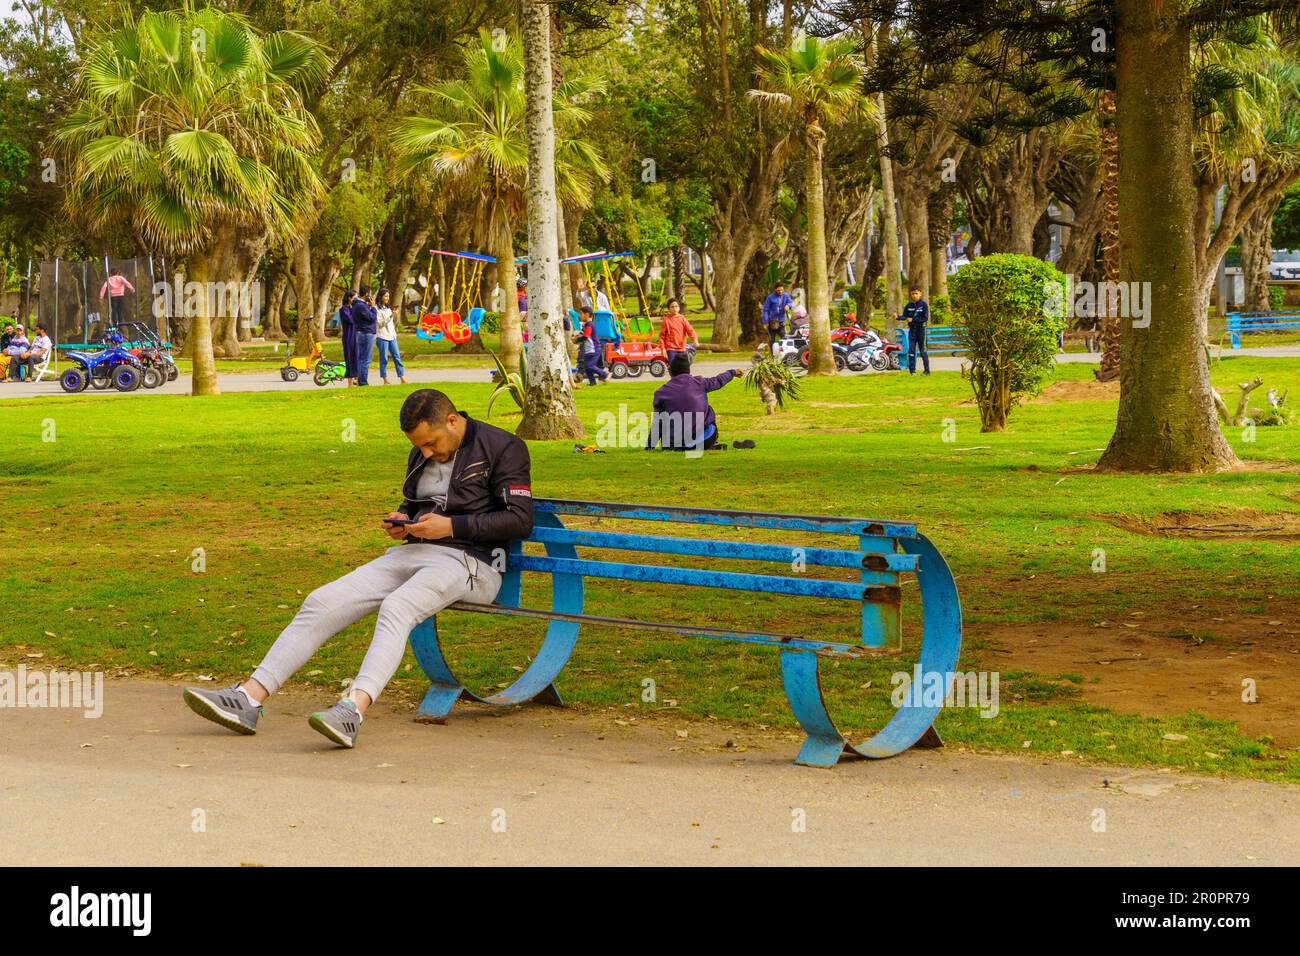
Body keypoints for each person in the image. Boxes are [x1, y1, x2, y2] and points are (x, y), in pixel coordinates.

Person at [181, 389, 534, 749]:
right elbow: (418, 503)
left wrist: (452, 527)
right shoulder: (422, 450)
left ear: (453, 421)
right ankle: (249, 698)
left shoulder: (503, 447)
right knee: (323, 599)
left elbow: (519, 520)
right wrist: (404, 521)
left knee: (399, 605)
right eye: (420, 447)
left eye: (430, 443)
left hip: (475, 564)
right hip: (420, 553)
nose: (426, 453)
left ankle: (352, 710)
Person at [646, 354, 751, 452]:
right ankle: (713, 443)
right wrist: (733, 372)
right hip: (705, 440)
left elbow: (658, 423)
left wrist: (649, 447)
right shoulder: (700, 383)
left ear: (670, 370)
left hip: (675, 446)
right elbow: (719, 380)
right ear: (688, 370)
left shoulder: (661, 393)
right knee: (707, 408)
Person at [374, 288, 407, 385]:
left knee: (397, 357)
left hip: (392, 336)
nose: (388, 298)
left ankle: (402, 377)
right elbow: (380, 324)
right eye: (386, 296)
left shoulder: (388, 308)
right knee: (383, 358)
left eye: (388, 296)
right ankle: (385, 379)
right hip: (382, 336)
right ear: (381, 297)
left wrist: (394, 315)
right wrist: (391, 316)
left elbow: (391, 323)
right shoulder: (376, 309)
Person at [657, 297, 698, 366]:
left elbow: (690, 330)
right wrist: (663, 349)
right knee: (673, 367)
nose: (674, 308)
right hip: (671, 349)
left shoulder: (682, 319)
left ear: (679, 308)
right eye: (672, 307)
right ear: (669, 309)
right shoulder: (666, 320)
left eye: (676, 306)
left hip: (682, 348)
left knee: (683, 367)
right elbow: (662, 336)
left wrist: (695, 340)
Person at [900, 286, 930, 375]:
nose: (914, 295)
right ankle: (912, 371)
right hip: (912, 331)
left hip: (921, 330)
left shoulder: (924, 305)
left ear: (920, 294)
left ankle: (927, 371)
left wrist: (913, 319)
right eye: (913, 293)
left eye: (916, 293)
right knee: (911, 351)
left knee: (923, 351)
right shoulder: (909, 306)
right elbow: (905, 316)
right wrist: (897, 317)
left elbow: (925, 318)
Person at [352, 284, 378, 386]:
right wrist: (373, 307)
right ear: (366, 294)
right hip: (366, 333)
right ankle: (363, 381)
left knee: (361, 358)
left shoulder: (356, 304)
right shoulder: (361, 305)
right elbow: (371, 318)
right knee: (366, 359)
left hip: (359, 332)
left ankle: (359, 379)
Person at [575, 307, 608, 385]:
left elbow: (586, 336)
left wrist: (577, 340)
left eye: (581, 314)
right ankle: (592, 382)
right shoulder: (586, 325)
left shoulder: (589, 324)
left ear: (586, 315)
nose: (579, 316)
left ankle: (603, 374)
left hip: (594, 349)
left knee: (590, 365)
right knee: (587, 367)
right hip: (589, 350)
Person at [762, 283, 794, 349]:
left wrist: (788, 305)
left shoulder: (786, 295)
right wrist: (765, 322)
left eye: (782, 290)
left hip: (781, 322)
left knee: (784, 338)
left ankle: (783, 354)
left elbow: (792, 303)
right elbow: (765, 310)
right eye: (779, 290)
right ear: (775, 289)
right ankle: (773, 356)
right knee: (772, 340)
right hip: (772, 322)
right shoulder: (770, 297)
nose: (780, 292)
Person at [339, 289, 357, 385]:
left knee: (357, 357)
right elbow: (351, 320)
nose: (356, 300)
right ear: (349, 298)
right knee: (349, 358)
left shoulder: (354, 308)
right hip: (348, 337)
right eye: (355, 298)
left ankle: (358, 379)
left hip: (356, 336)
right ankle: (350, 382)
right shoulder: (344, 309)